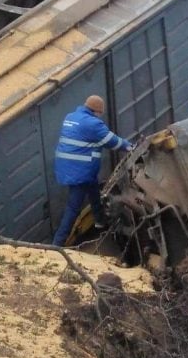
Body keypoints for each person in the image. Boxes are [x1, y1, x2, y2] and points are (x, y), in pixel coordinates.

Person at [52, 94, 133, 246]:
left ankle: (100, 222)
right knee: (73, 207)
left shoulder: (71, 116)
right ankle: (56, 244)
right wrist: (131, 147)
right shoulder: (92, 124)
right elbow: (113, 142)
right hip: (79, 172)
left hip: (68, 167)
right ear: (97, 111)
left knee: (94, 192)